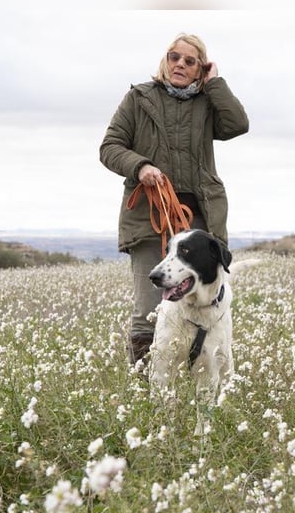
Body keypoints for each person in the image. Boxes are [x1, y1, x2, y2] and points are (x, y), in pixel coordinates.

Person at [99, 33, 249, 365]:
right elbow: (109, 148)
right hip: (147, 215)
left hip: (199, 218)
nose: (179, 64)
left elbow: (238, 125)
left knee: (208, 303)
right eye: (173, 57)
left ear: (201, 68)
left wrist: (215, 84)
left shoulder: (208, 101)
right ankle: (145, 392)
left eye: (190, 60)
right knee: (148, 309)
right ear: (165, 60)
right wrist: (140, 167)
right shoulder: (138, 98)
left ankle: (204, 377)